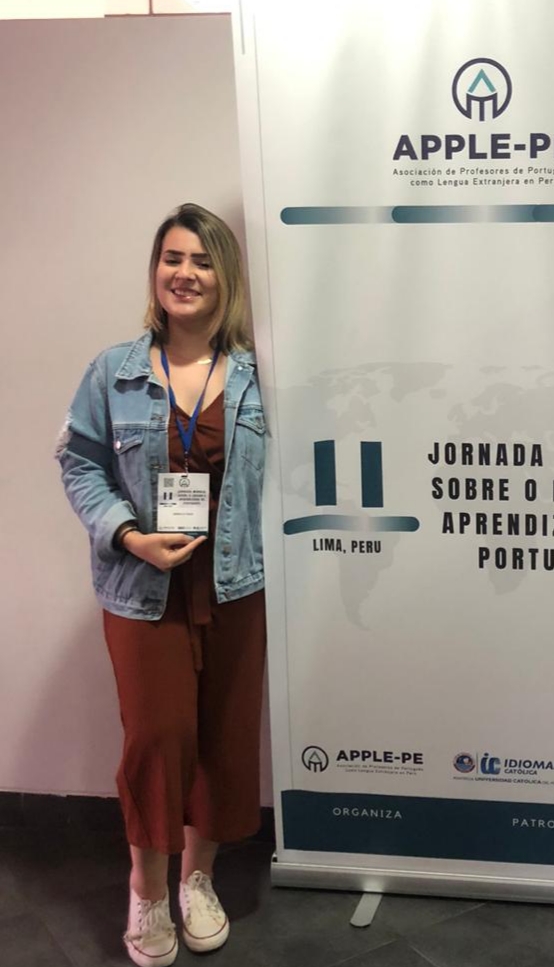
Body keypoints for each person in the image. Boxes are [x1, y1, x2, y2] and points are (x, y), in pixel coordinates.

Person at [57, 203, 266, 967]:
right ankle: (146, 889)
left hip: (234, 585)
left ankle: (196, 878)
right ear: (155, 270)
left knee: (221, 736)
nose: (185, 273)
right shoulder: (112, 371)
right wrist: (128, 533)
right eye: (172, 258)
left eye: (202, 261)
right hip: (141, 589)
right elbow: (78, 462)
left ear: (225, 277)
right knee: (156, 737)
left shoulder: (257, 375)